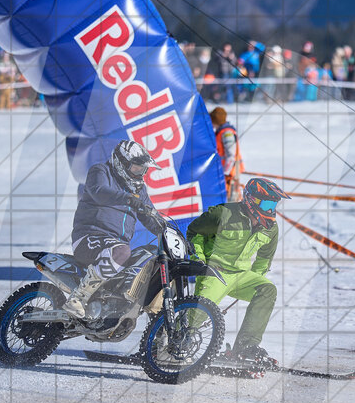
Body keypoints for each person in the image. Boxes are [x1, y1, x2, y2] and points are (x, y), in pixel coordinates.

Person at [186, 177, 290, 366]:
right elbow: (194, 232)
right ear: (252, 200)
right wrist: (199, 261)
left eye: (274, 205)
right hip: (215, 272)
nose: (270, 210)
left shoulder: (271, 228)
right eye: (267, 203)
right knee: (197, 314)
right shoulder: (223, 213)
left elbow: (264, 259)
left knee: (267, 290)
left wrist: (256, 280)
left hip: (241, 275)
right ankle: (171, 343)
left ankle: (245, 347)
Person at [64, 140, 166, 319]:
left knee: (151, 257)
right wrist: (127, 198)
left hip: (113, 245)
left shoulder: (139, 190)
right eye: (136, 168)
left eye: (142, 169)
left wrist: (168, 232)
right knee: (121, 251)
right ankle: (78, 297)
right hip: (90, 237)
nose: (139, 173)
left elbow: (151, 217)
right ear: (122, 163)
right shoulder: (101, 171)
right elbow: (99, 191)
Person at [209, 106, 243, 201]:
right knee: (230, 198)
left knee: (232, 200)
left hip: (230, 172)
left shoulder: (227, 133)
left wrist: (225, 172)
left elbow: (230, 155)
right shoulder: (221, 132)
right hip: (228, 172)